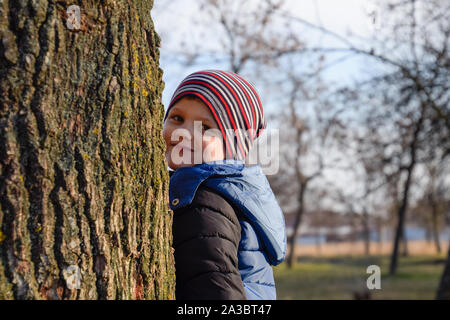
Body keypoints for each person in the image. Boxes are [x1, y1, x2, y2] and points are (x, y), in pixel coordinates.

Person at [162, 70, 286, 300]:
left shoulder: (202, 202)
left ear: (232, 147)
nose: (183, 133)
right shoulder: (225, 193)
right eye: (177, 118)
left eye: (205, 127)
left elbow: (216, 292)